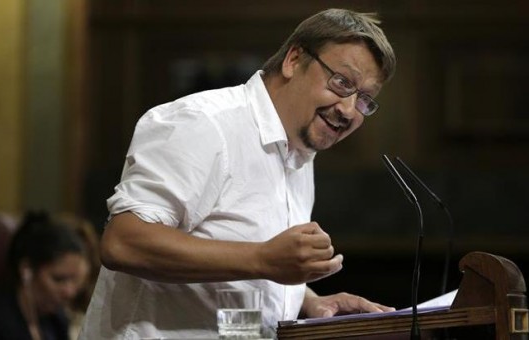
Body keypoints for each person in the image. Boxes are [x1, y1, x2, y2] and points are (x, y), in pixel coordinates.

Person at [79, 8, 397, 339]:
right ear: (293, 60)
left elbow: (236, 264)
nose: (349, 110)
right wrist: (264, 259)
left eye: (365, 100)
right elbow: (125, 243)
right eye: (342, 83)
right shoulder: (203, 124)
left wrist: (308, 302)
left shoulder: (299, 152)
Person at [0, 211, 91, 340]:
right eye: (58, 279)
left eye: (75, 281)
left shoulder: (56, 319)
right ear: (26, 269)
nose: (69, 292)